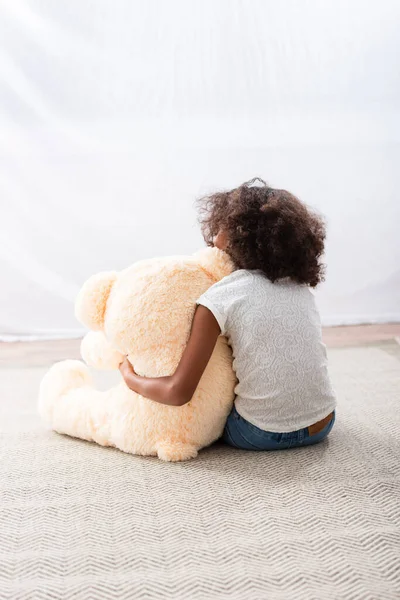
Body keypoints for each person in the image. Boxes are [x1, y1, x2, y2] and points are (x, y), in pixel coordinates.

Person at [119, 178, 336, 451]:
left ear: (238, 234)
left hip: (259, 433)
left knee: (209, 404)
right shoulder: (300, 288)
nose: (213, 236)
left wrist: (130, 377)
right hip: (323, 423)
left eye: (221, 225)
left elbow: (178, 392)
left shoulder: (221, 296)